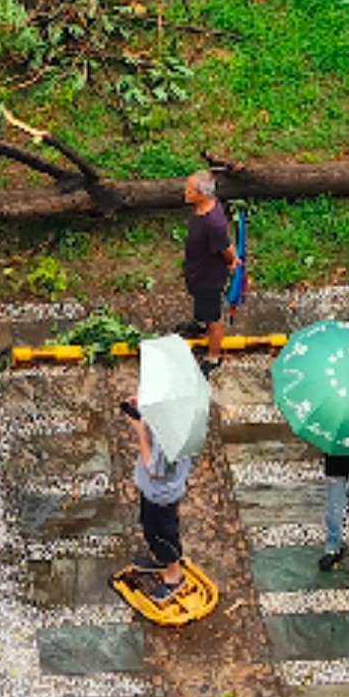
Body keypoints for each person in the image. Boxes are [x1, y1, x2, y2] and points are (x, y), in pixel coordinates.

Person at [125, 400, 194, 603]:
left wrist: (141, 433)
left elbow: (154, 469)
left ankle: (174, 576)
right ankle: (159, 559)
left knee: (163, 534)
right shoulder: (182, 418)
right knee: (149, 526)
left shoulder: (171, 439)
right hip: (155, 491)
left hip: (162, 494)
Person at [181, 171, 239, 376]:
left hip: (209, 278)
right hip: (198, 272)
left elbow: (226, 247)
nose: (185, 192)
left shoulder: (212, 223)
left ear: (201, 194)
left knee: (214, 318)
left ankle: (213, 357)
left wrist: (232, 261)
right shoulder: (204, 208)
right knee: (201, 303)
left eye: (189, 189)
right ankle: (198, 323)